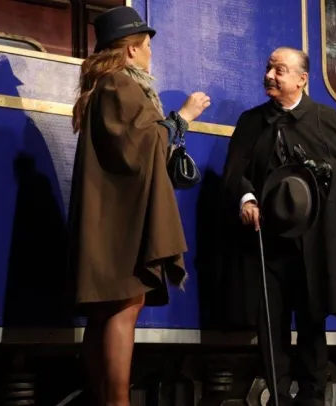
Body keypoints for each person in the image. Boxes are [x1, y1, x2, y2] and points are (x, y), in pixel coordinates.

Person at [219, 46, 336, 406]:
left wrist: (321, 182)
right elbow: (234, 173)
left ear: (301, 79)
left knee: (311, 324)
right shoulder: (251, 122)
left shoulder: (327, 120)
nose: (269, 76)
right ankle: (278, 396)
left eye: (279, 70)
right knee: (270, 325)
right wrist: (247, 199)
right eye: (269, 68)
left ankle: (312, 398)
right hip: (266, 244)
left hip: (312, 245)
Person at [67, 6, 210, 406]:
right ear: (131, 49)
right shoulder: (120, 84)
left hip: (113, 216)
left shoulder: (106, 85)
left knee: (109, 309)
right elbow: (139, 145)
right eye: (147, 46)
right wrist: (182, 118)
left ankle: (105, 398)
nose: (150, 53)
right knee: (124, 305)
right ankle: (117, 401)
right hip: (120, 222)